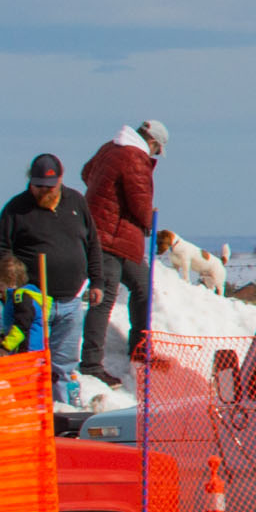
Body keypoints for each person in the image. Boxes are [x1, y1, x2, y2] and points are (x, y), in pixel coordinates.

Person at [0, 153, 103, 409]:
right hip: (32, 302)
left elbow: (92, 244)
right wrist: (12, 272)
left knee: (64, 365)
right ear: (30, 182)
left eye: (50, 187)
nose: (44, 191)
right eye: (38, 186)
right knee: (27, 364)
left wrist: (97, 280)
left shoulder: (76, 201)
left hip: (71, 300)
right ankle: (27, 414)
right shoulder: (16, 208)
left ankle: (62, 414)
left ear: (61, 181)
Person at [78, 119, 165, 386]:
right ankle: (91, 364)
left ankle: (140, 350)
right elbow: (140, 203)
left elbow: (85, 173)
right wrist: (149, 223)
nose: (155, 155)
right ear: (152, 142)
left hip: (109, 233)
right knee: (104, 297)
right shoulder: (135, 157)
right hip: (112, 237)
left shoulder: (111, 147)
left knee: (141, 285)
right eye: (157, 150)